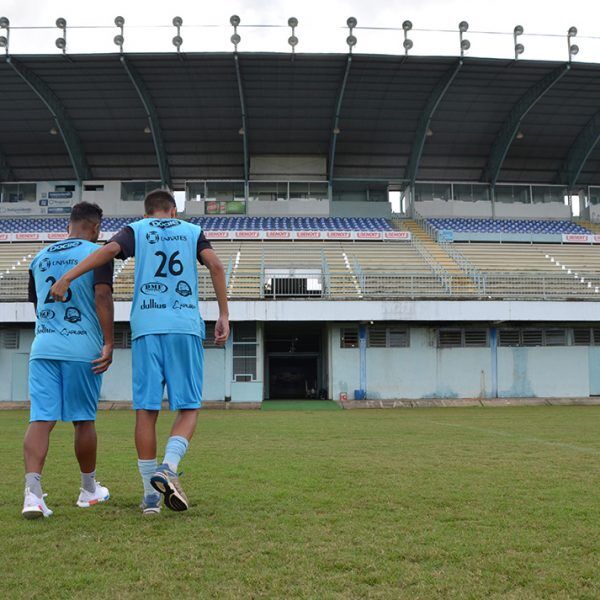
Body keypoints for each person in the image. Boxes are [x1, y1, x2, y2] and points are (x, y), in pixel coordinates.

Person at [50, 189, 229, 516]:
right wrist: (223, 314)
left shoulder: (138, 229)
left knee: (146, 410)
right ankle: (169, 466)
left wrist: (68, 276)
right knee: (188, 407)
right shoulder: (191, 232)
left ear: (147, 213)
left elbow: (108, 251)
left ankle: (150, 498)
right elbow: (216, 266)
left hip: (146, 326)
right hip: (184, 325)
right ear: (173, 211)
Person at [23, 202, 114, 519]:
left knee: (41, 419)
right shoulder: (98, 252)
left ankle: (32, 495)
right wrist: (109, 342)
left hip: (43, 346)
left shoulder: (39, 257)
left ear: (69, 225)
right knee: (83, 419)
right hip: (81, 349)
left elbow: (37, 306)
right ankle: (89, 490)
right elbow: (102, 296)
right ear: (96, 226)